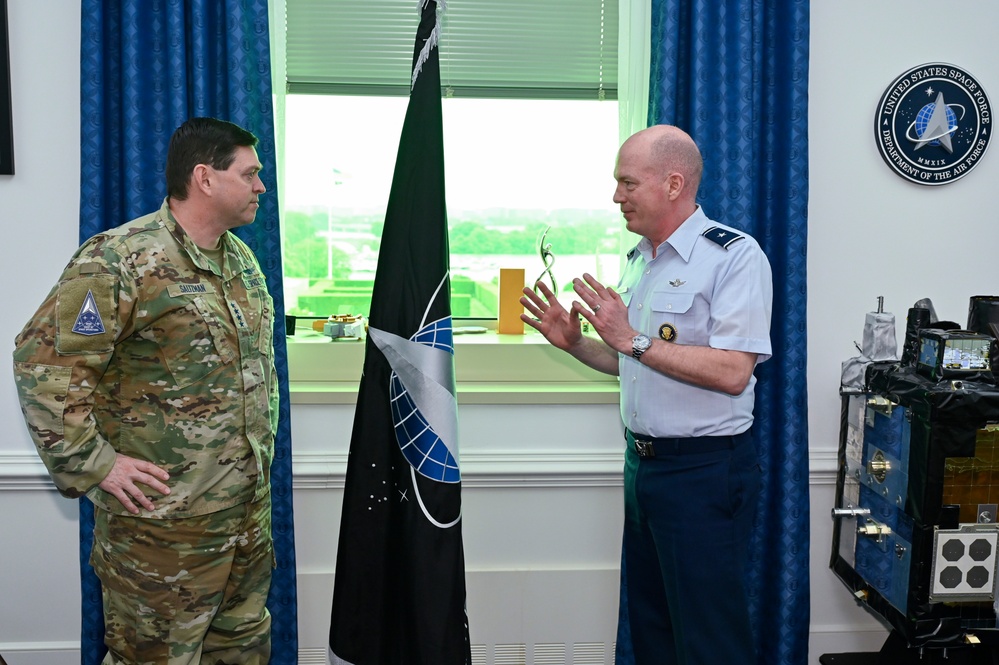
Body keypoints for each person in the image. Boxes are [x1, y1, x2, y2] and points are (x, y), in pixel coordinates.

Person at [13, 117, 278, 665]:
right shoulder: (119, 258)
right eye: (250, 174)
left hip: (244, 519)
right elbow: (44, 365)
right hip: (161, 531)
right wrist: (95, 465)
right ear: (205, 178)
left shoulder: (242, 262)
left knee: (242, 652)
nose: (260, 186)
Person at [521, 125, 772, 665]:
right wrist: (575, 344)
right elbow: (634, 363)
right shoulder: (641, 260)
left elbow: (732, 371)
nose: (617, 197)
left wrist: (630, 337)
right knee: (654, 633)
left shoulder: (733, 257)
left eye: (627, 183)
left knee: (710, 642)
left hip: (704, 473)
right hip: (644, 471)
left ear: (674, 183)